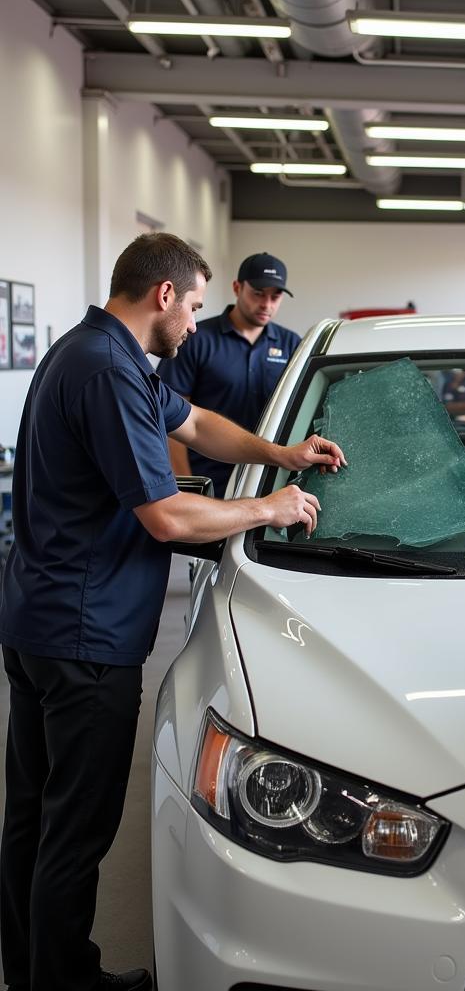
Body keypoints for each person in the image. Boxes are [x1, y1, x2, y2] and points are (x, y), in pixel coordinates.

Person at [0, 233, 345, 991]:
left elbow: (194, 423)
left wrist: (280, 455)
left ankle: (33, 969)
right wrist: (269, 507)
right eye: (192, 305)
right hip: (87, 636)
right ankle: (62, 982)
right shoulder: (107, 374)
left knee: (31, 817)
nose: (196, 322)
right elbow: (166, 518)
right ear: (163, 295)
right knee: (74, 830)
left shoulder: (94, 351)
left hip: (38, 620)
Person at [156, 251, 301, 496]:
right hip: (209, 481)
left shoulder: (292, 344)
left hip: (269, 481)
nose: (266, 304)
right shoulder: (195, 339)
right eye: (258, 294)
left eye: (275, 297)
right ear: (237, 287)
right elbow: (170, 420)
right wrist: (188, 488)